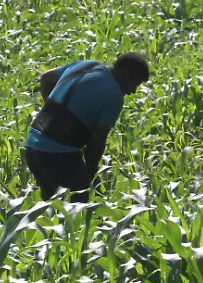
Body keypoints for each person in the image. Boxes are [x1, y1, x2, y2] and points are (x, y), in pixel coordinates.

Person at [24, 53, 150, 202]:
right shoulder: (114, 96)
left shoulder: (87, 65)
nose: (133, 91)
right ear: (124, 74)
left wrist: (54, 112)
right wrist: (92, 179)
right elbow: (96, 144)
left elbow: (46, 78)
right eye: (135, 84)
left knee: (52, 210)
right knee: (83, 211)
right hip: (57, 156)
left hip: (32, 146)